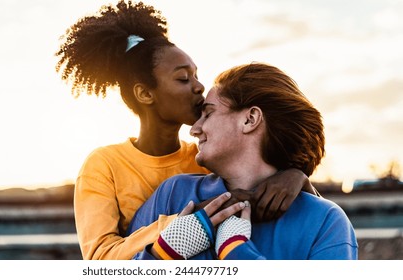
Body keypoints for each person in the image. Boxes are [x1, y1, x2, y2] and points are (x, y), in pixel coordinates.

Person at [55, 0, 318, 260]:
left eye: (196, 75)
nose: (199, 87)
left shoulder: (208, 159)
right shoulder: (104, 165)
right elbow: (99, 259)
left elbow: (266, 197)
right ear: (145, 93)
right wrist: (186, 224)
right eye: (183, 78)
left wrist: (296, 176)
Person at [127, 63, 358, 260]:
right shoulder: (173, 193)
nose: (194, 129)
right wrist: (162, 253)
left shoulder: (325, 222)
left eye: (208, 113)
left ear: (250, 119)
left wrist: (236, 251)